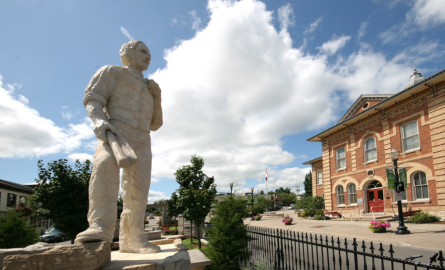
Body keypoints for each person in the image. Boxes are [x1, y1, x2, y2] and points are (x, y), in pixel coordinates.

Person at [75, 40, 163, 254]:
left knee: (138, 189)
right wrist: (99, 121)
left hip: (143, 138)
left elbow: (156, 123)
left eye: (149, 53)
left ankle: (134, 238)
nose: (148, 56)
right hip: (117, 131)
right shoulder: (112, 72)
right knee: (104, 169)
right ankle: (100, 226)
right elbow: (93, 98)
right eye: (142, 51)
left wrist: (157, 97)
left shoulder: (150, 86)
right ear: (127, 53)